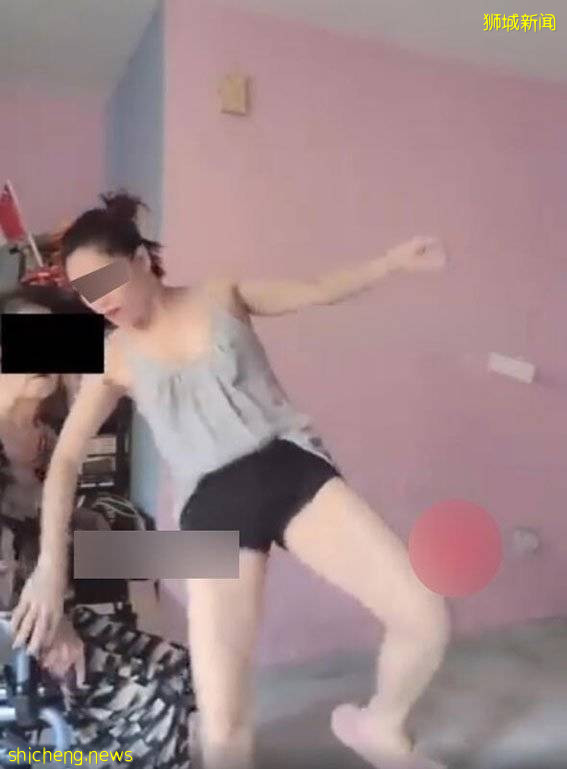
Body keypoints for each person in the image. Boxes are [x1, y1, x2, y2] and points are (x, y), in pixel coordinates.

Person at [12, 192, 450, 769]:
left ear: (140, 260)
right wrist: (51, 566)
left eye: (106, 280)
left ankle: (381, 727)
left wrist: (391, 263)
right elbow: (66, 460)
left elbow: (317, 289)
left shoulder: (221, 295)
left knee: (425, 616)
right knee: (224, 727)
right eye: (86, 292)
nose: (101, 301)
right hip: (212, 511)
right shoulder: (114, 357)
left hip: (292, 472)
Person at [0, 283, 194, 768]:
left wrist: (194, 551)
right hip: (14, 632)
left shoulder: (42, 438)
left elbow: (53, 532)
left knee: (185, 673)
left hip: (45, 606)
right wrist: (50, 626)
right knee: (153, 707)